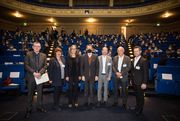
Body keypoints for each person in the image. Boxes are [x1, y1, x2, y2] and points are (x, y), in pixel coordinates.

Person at [24, 41, 47, 119]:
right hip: (31, 77)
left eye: (38, 46)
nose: (37, 47)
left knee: (40, 93)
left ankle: (39, 107)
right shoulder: (28, 54)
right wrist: (34, 72)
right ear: (33, 47)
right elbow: (26, 65)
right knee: (30, 94)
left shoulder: (44, 55)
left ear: (40, 47)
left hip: (40, 77)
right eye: (35, 46)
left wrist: (40, 73)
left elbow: (45, 66)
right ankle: (28, 109)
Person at [131, 46, 149, 116]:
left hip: (141, 82)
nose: (135, 52)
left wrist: (144, 83)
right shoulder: (133, 60)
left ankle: (140, 110)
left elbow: (145, 73)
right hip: (134, 82)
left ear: (140, 51)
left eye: (137, 51)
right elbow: (133, 71)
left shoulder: (143, 60)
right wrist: (131, 80)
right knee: (137, 96)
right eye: (134, 51)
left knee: (141, 97)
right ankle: (137, 107)